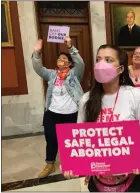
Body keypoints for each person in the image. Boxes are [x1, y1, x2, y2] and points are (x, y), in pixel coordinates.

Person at [63, 45, 140, 192]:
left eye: (109, 60)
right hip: (99, 179)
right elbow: (80, 139)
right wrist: (73, 163)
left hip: (132, 178)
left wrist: (133, 151)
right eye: (98, 60)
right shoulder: (86, 99)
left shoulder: (135, 95)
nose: (101, 64)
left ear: (121, 69)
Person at [32, 36, 85, 178]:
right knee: (51, 139)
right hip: (52, 113)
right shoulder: (51, 74)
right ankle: (50, 163)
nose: (60, 60)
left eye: (63, 59)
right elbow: (38, 68)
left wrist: (70, 47)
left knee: (71, 141)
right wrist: (37, 53)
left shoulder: (74, 74)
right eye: (59, 58)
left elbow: (81, 64)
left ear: (69, 63)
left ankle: (72, 164)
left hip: (70, 114)